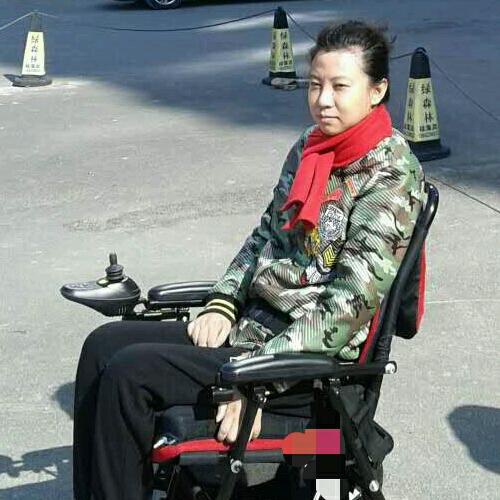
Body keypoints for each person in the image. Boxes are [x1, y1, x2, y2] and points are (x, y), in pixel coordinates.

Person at [72, 20, 425, 500]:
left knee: (130, 374)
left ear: (377, 90)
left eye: (340, 87)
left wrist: (257, 380)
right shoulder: (312, 147)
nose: (323, 100)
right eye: (315, 85)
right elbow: (264, 238)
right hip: (255, 326)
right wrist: (223, 302)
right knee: (102, 346)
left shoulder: (390, 174)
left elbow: (347, 308)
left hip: (307, 364)